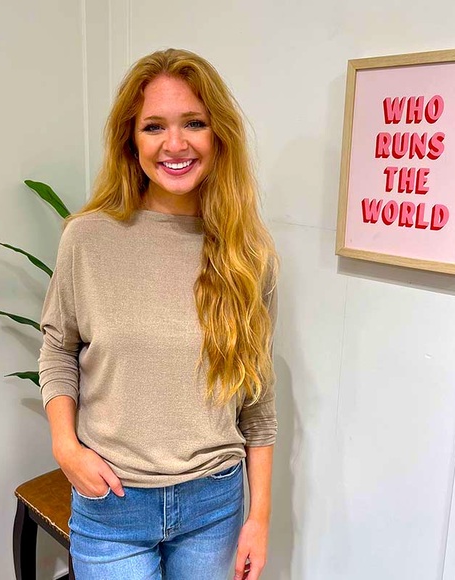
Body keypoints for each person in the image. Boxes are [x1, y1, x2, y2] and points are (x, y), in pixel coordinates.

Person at [38, 48, 279, 580]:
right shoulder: (88, 238)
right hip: (112, 505)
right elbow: (58, 347)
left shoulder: (246, 254)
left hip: (214, 506)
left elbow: (257, 396)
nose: (175, 144)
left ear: (219, 135)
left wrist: (259, 518)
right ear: (131, 139)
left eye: (194, 122)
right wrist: (65, 446)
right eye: (154, 126)